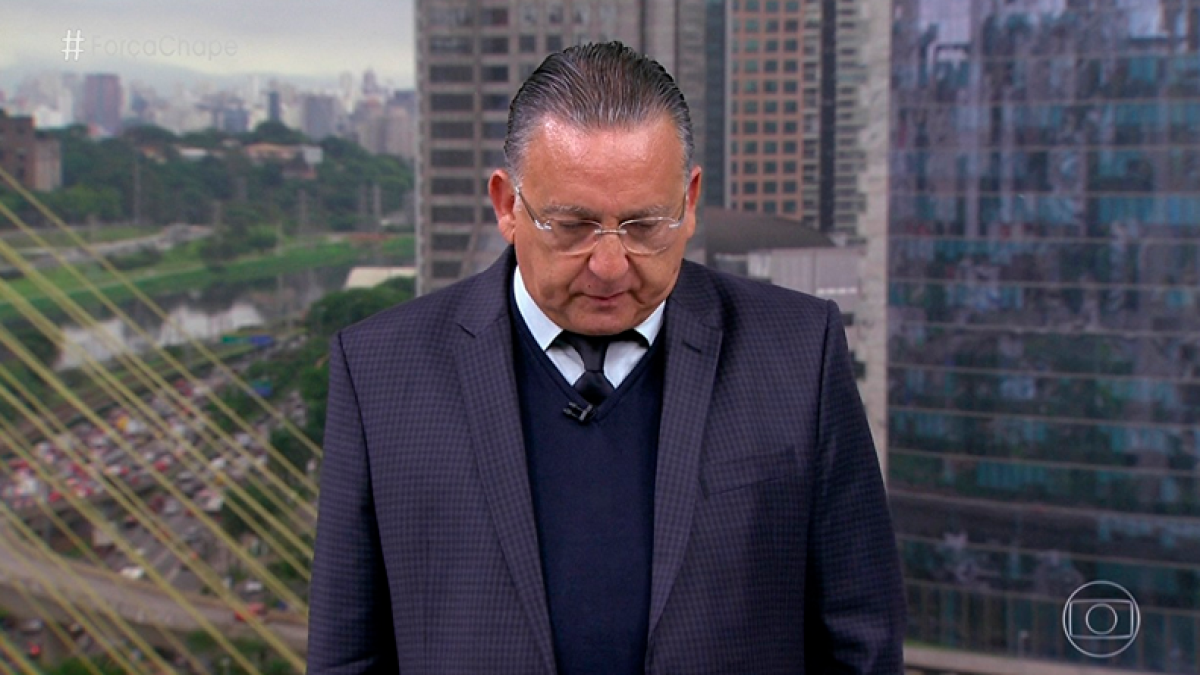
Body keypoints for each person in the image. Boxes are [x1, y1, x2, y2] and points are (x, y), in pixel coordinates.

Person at [307, 42, 905, 674]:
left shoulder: (798, 351)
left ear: (690, 202)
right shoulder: (379, 371)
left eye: (645, 226)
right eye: (573, 227)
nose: (611, 264)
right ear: (507, 205)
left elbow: (862, 641)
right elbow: (347, 656)